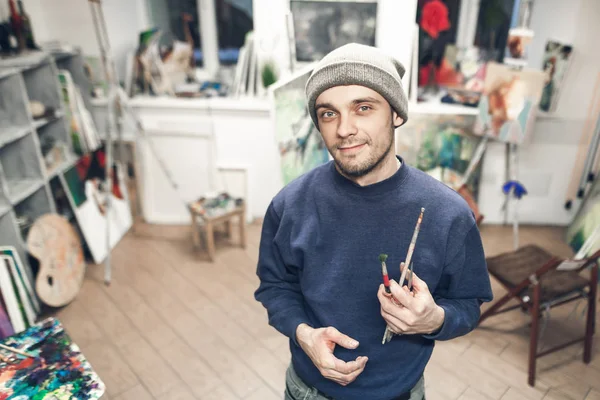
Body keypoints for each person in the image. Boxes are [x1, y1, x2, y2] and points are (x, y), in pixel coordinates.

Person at [254, 43, 493, 400]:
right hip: (307, 390)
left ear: (396, 113)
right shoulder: (290, 205)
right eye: (328, 113)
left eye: (363, 108)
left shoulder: (448, 213)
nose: (344, 129)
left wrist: (435, 320)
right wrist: (304, 334)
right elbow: (275, 287)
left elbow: (468, 304)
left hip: (401, 392)